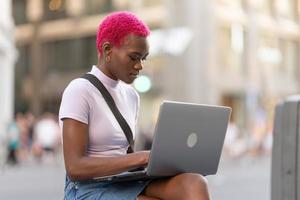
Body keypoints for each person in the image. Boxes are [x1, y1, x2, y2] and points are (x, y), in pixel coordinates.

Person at [59, 11, 211, 200]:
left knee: (194, 183)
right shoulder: (80, 90)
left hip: (124, 181)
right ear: (107, 50)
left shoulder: (131, 96)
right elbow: (74, 167)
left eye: (143, 58)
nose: (140, 65)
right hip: (86, 187)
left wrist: (163, 161)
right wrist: (144, 157)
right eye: (134, 57)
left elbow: (125, 153)